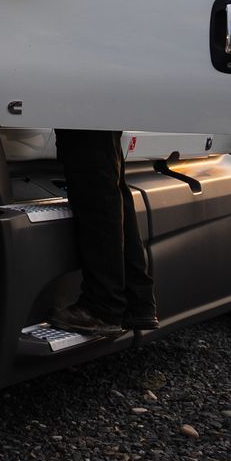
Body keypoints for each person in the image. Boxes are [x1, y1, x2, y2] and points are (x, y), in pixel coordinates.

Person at [49, 129, 159, 336]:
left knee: (95, 183)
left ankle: (103, 307)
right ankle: (135, 300)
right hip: (97, 105)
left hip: (84, 104)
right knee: (108, 182)